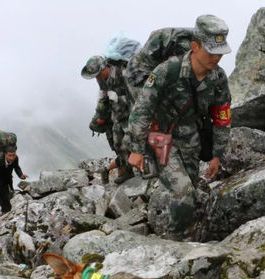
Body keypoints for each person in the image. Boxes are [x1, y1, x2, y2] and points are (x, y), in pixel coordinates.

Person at [126, 14, 232, 238]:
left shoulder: (219, 79)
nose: (216, 58)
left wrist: (216, 155)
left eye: (220, 53)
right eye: (211, 51)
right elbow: (142, 109)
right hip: (162, 139)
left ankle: (184, 230)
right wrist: (136, 148)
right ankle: (173, 241)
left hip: (191, 141)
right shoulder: (167, 71)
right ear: (195, 46)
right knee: (183, 193)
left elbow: (222, 117)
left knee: (190, 192)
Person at [82, 54, 135, 184]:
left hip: (132, 116)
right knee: (118, 145)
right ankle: (127, 173)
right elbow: (103, 100)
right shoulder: (102, 81)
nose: (98, 78)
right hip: (117, 116)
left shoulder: (124, 74)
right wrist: (99, 118)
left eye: (98, 74)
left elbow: (137, 96)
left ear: (105, 68)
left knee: (134, 143)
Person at [0, 144, 28, 221]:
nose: (12, 158)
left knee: (6, 200)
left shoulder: (15, 158)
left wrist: (21, 175)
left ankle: (6, 217)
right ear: (5, 154)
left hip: (5, 181)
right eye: (9, 155)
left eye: (13, 155)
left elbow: (16, 167)